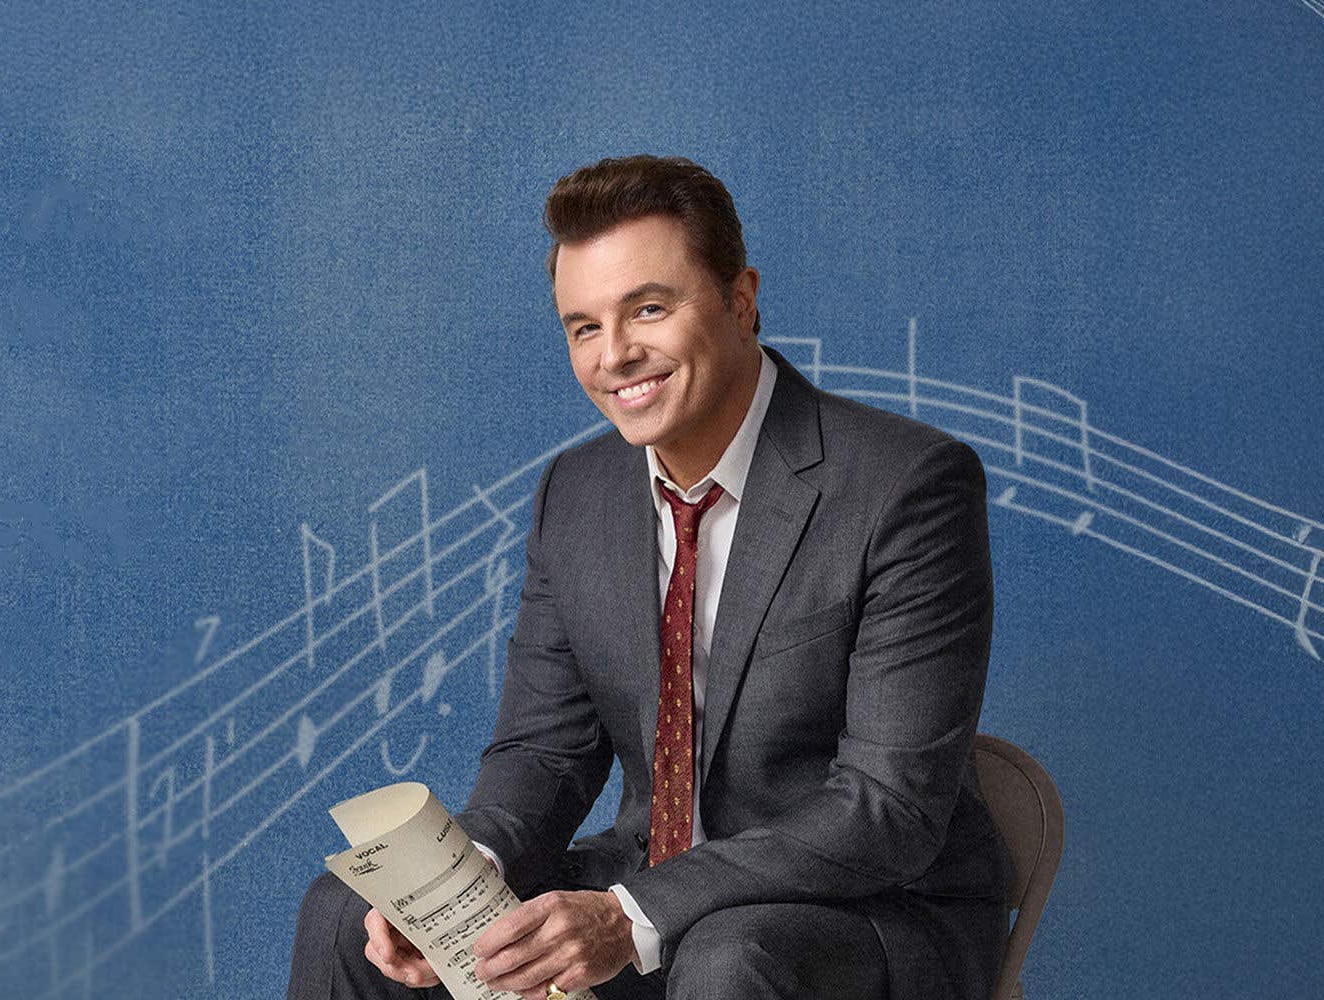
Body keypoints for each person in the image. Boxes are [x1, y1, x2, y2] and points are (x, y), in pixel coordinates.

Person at [289, 154, 1012, 1000]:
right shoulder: (578, 492)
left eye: (649, 309)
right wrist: (455, 883)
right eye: (584, 327)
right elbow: (545, 752)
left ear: (741, 302)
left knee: (727, 957)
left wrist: (631, 916)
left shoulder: (906, 485)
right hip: (647, 882)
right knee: (346, 911)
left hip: (867, 911)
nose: (616, 355)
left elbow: (888, 809)